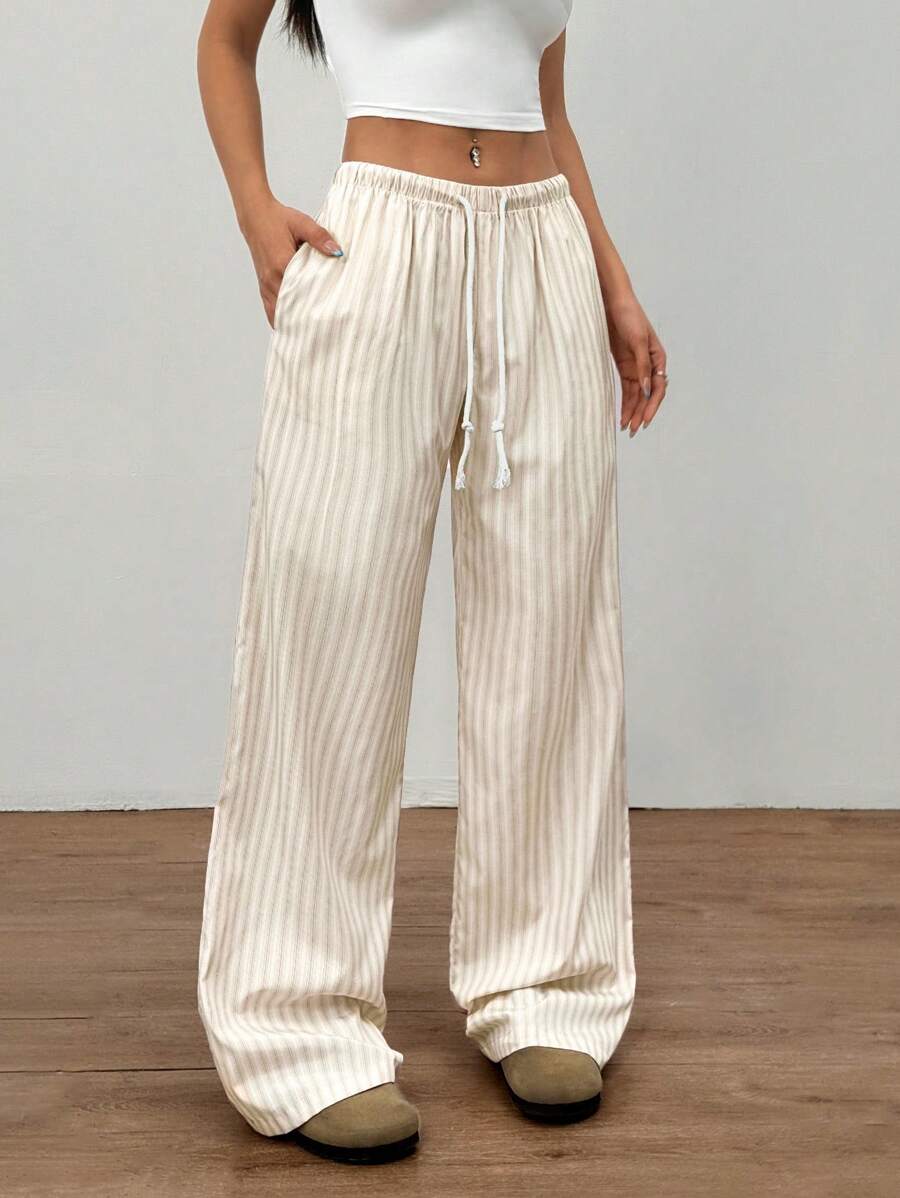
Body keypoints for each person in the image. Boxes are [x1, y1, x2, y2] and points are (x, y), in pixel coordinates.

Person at [195, 0, 667, 1166]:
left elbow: (545, 106)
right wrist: (256, 211)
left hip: (542, 248)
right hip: (380, 245)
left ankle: (546, 984)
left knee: (551, 631)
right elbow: (223, 38)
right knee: (327, 636)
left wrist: (611, 280)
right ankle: (297, 1021)